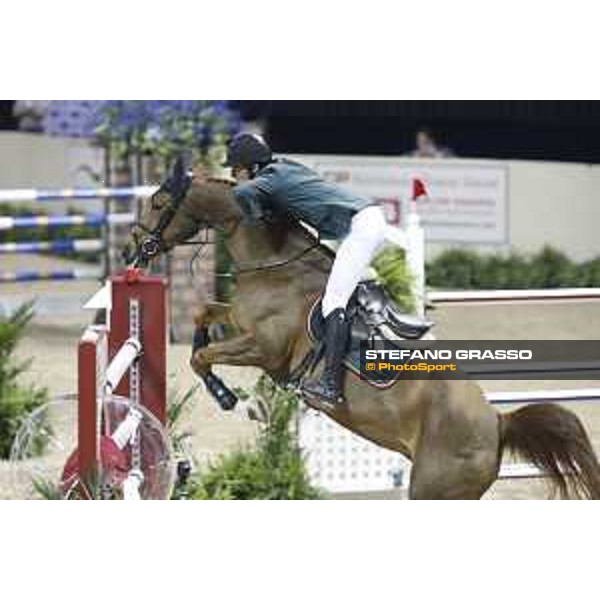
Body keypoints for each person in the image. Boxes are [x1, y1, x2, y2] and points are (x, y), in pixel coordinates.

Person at [224, 133, 407, 405]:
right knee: (333, 288)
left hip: (360, 228)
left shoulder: (270, 179)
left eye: (236, 170)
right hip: (362, 223)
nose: (235, 175)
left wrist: (257, 214)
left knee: (334, 300)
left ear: (251, 167)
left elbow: (240, 192)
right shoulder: (283, 167)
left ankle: (331, 385)